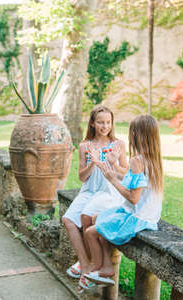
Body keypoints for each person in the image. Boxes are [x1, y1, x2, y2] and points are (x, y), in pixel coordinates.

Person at [84, 114, 163, 286]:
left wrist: (112, 179)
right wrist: (114, 166)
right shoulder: (152, 159)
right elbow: (130, 179)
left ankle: (97, 270)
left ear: (135, 134)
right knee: (97, 218)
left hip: (137, 218)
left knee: (90, 232)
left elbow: (133, 198)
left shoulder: (137, 161)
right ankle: (106, 265)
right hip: (148, 215)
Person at [62, 105, 128, 289]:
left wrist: (113, 164)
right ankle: (85, 266)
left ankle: (94, 267)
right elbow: (82, 177)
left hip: (109, 190)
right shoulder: (85, 146)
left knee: (87, 217)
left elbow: (126, 173)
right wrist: (93, 163)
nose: (104, 126)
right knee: (67, 220)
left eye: (108, 122)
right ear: (92, 123)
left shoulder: (118, 145)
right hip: (89, 190)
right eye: (100, 122)